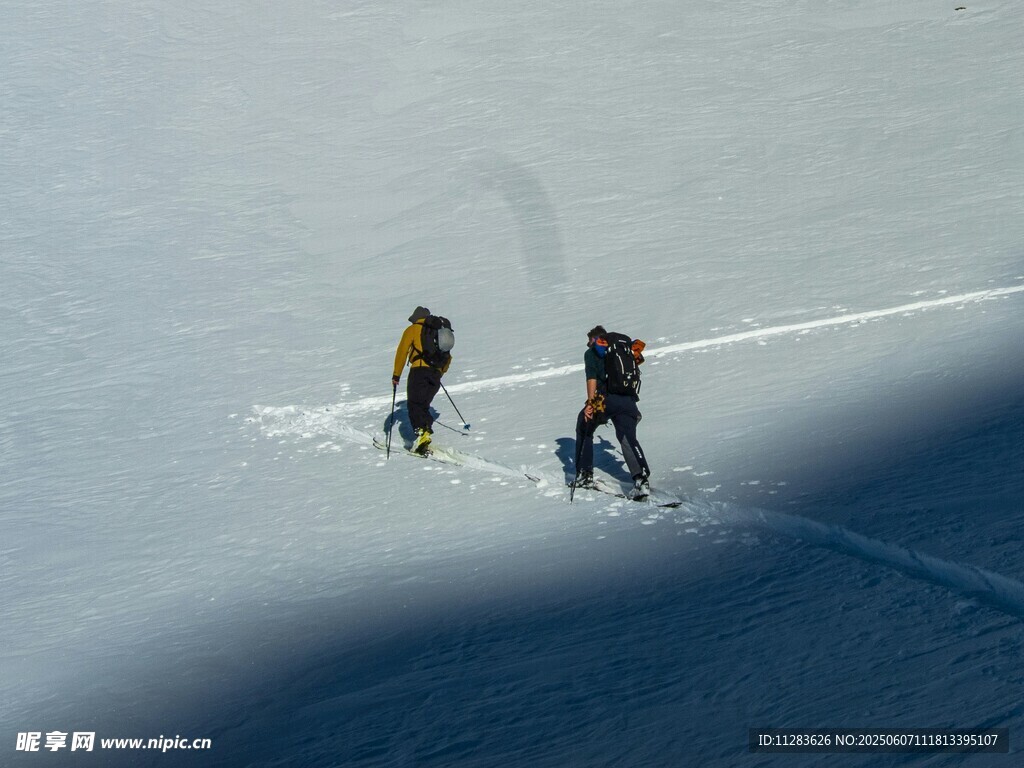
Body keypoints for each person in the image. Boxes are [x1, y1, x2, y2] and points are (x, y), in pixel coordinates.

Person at [573, 325, 651, 499]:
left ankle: (584, 475)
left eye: (589, 342)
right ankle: (641, 479)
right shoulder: (624, 351)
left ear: (595, 339)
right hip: (629, 401)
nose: (589, 346)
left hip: (606, 400)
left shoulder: (593, 352)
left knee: (584, 425)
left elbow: (591, 378)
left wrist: (591, 403)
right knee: (627, 437)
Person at [392, 306, 451, 453]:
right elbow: (448, 355)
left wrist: (396, 375)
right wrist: (439, 372)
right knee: (423, 404)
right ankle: (425, 430)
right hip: (435, 374)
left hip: (419, 371)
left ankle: (422, 434)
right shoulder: (439, 331)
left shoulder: (412, 330)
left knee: (414, 404)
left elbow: (402, 352)